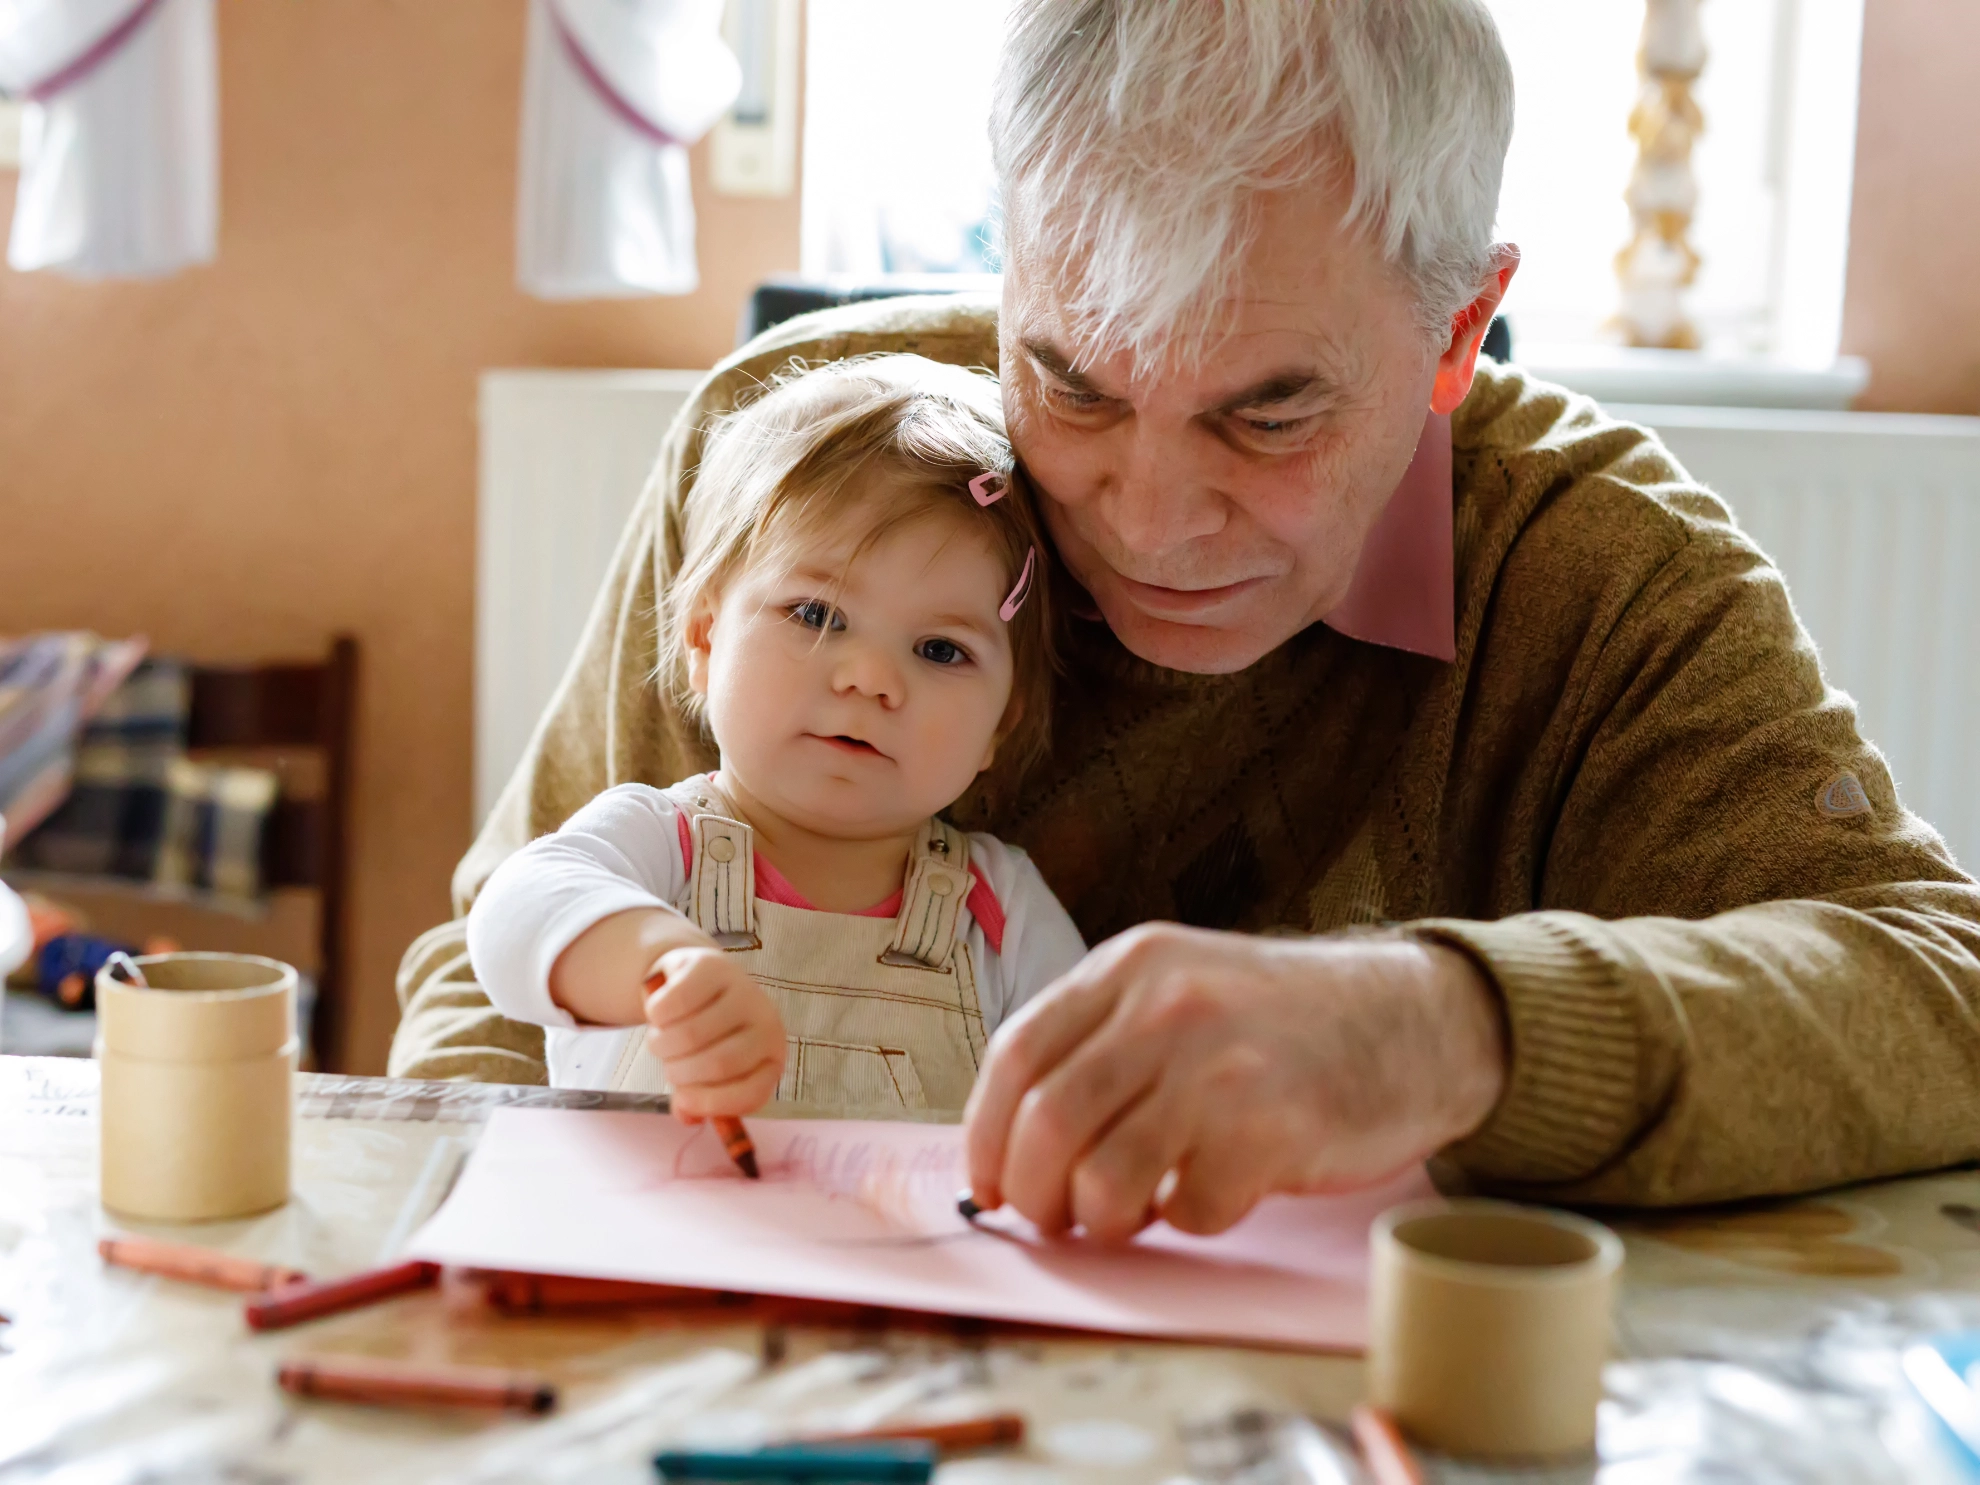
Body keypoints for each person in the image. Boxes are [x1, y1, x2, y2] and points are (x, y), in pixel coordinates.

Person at [393, 0, 1980, 1231]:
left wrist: (1447, 1029)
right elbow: (486, 977)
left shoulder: (1592, 572)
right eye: (1069, 381)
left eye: (1268, 417)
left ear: (1456, 335)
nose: (1143, 524)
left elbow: (1941, 996)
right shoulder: (799, 468)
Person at [465, 356, 1084, 1115]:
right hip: (647, 1228)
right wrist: (659, 964)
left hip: (895, 1236)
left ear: (1002, 723)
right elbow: (510, 915)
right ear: (703, 639)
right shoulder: (662, 844)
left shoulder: (1001, 908)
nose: (870, 679)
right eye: (817, 615)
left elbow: (1089, 1074)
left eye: (940, 650)